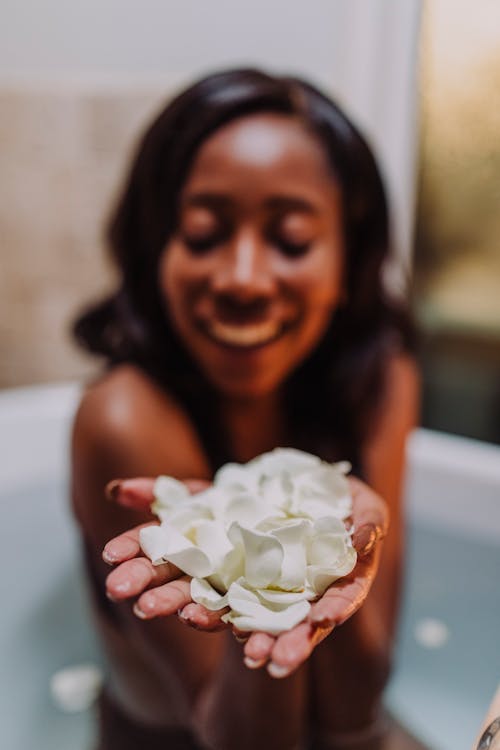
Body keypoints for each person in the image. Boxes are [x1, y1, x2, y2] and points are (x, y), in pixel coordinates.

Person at [71, 68, 420, 750]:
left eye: (290, 241)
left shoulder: (381, 380)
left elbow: (356, 707)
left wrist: (349, 549)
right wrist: (259, 606)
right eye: (203, 234)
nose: (243, 278)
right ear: (155, 253)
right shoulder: (123, 421)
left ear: (349, 264)